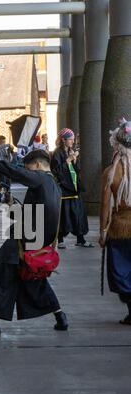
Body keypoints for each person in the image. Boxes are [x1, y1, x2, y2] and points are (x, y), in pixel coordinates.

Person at [0, 149, 68, 338]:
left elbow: (18, 173)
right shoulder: (54, 185)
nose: (27, 173)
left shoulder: (41, 178)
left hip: (24, 240)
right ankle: (60, 316)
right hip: (38, 241)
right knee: (32, 281)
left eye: (29, 168)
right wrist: (11, 203)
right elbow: (29, 214)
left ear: (37, 166)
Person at [99, 118, 131, 325]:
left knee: (122, 272)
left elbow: (105, 207)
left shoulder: (111, 173)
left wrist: (103, 231)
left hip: (120, 229)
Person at [51, 128, 94, 249]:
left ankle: (81, 239)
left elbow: (76, 169)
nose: (73, 142)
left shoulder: (71, 150)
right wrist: (68, 160)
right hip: (64, 188)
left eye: (73, 139)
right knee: (63, 214)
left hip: (74, 187)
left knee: (78, 213)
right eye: (70, 139)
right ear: (63, 140)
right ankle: (60, 240)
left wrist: (74, 160)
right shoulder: (57, 153)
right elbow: (56, 171)